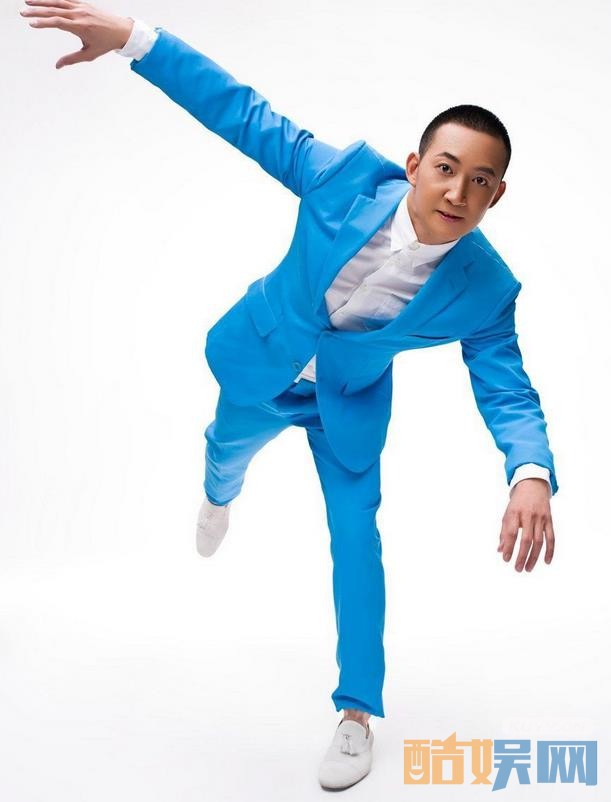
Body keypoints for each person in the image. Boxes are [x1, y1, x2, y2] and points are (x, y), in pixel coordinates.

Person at [21, 2, 558, 791]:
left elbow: (507, 387)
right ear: (414, 165)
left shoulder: (486, 288)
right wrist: (136, 40)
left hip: (347, 407)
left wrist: (530, 473)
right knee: (222, 453)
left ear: (495, 197)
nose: (457, 191)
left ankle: (356, 713)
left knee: (357, 544)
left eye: (479, 182)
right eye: (445, 168)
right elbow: (243, 114)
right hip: (261, 365)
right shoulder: (344, 178)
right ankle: (217, 496)